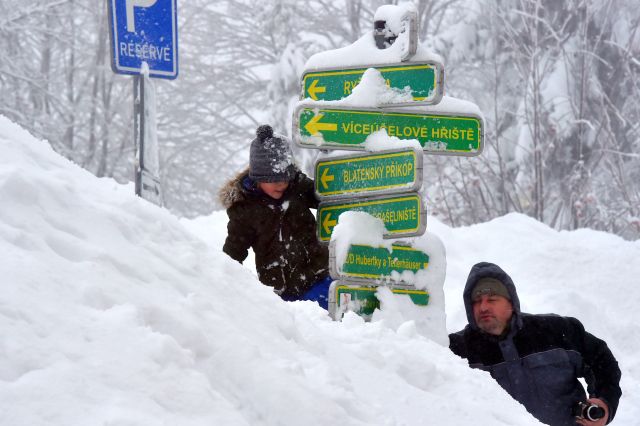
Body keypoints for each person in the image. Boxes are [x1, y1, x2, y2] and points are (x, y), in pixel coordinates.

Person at [449, 262, 621, 426]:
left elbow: (602, 361)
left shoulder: (554, 331)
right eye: (476, 301)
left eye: (492, 299)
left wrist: (604, 402)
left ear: (511, 302)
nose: (483, 307)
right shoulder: (459, 349)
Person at [219, 124, 331, 308]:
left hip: (318, 277)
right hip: (280, 293)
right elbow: (233, 252)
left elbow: (328, 201)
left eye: (286, 178)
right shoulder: (245, 209)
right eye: (274, 180)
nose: (281, 184)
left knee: (334, 326)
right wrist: (224, 284)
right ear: (257, 177)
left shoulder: (298, 187)